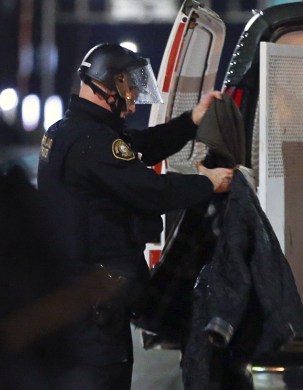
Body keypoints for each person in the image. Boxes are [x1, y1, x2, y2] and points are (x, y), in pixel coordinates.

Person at [36, 43, 233, 390]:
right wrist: (208, 183)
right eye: (129, 87)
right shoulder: (92, 142)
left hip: (77, 292)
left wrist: (191, 122)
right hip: (93, 301)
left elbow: (141, 146)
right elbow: (152, 190)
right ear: (109, 84)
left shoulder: (71, 131)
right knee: (105, 377)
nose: (134, 97)